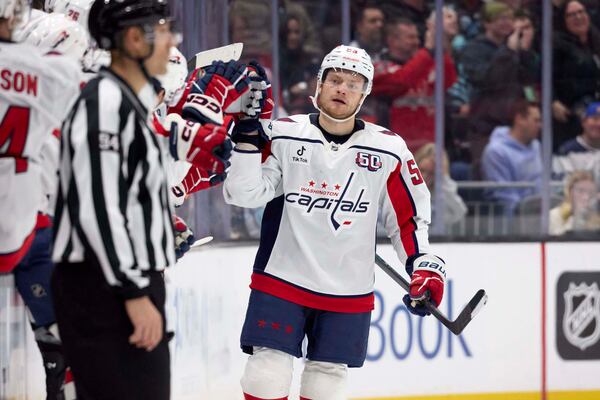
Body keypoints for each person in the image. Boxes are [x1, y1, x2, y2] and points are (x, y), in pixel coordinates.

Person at [223, 45, 447, 400]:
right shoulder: (282, 133)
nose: (342, 89)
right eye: (335, 80)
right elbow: (243, 194)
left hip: (348, 289)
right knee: (267, 373)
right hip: (283, 277)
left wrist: (423, 264)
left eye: (354, 84)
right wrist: (248, 138)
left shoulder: (389, 150)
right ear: (320, 85)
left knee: (327, 380)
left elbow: (407, 218)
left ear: (365, 94)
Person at [50, 0, 237, 398]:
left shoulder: (128, 104)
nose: (174, 42)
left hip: (122, 283)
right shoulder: (105, 101)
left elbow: (131, 197)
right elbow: (97, 207)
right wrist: (133, 292)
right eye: (164, 30)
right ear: (135, 39)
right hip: (106, 288)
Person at [481, 100, 542, 215]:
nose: (540, 125)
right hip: (513, 217)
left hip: (541, 213)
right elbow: (503, 195)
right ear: (519, 119)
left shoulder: (537, 146)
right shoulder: (496, 151)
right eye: (536, 121)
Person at [553, 101, 600, 183]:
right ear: (584, 122)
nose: (599, 124)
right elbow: (559, 186)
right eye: (595, 118)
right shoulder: (566, 151)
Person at [549, 170, 600, 235]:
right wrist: (576, 217)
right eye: (580, 191)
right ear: (569, 192)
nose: (586, 197)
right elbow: (557, 240)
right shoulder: (554, 215)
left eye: (590, 192)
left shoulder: (596, 217)